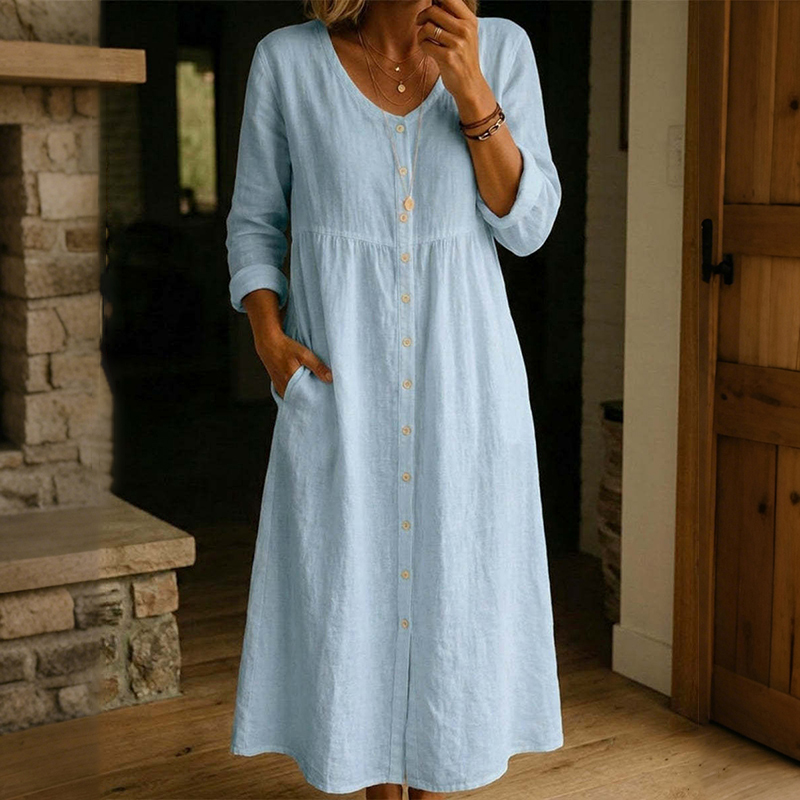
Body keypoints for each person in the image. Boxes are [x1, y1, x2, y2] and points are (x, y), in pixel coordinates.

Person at [226, 1, 564, 797]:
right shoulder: (288, 63)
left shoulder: (501, 49)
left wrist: (472, 90)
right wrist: (269, 340)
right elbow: (254, 222)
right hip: (344, 395)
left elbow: (528, 228)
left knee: (456, 605)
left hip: (465, 395)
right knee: (353, 601)